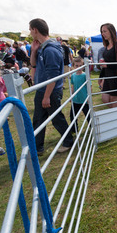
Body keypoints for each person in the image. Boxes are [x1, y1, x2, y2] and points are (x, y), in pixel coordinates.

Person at [29, 18, 73, 155]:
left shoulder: (50, 50)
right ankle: (37, 147)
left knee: (56, 118)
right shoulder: (43, 48)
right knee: (39, 119)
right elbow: (34, 65)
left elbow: (53, 76)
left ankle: (68, 141)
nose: (30, 32)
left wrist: (47, 96)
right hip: (44, 89)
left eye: (30, 30)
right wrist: (34, 51)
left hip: (50, 91)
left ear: (35, 30)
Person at [99, 23, 117, 108]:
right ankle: (116, 115)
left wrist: (107, 65)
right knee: (105, 99)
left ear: (111, 31)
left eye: (104, 31)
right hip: (108, 77)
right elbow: (108, 62)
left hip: (116, 77)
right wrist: (101, 77)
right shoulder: (107, 45)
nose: (102, 33)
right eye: (101, 32)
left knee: (113, 100)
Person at [69, 57, 91, 133]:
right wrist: (71, 96)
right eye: (76, 66)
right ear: (73, 66)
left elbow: (89, 86)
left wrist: (89, 97)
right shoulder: (73, 75)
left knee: (88, 115)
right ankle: (74, 130)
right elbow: (73, 86)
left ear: (83, 66)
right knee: (73, 116)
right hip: (75, 100)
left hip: (84, 100)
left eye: (80, 65)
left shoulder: (85, 75)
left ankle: (93, 128)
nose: (78, 67)